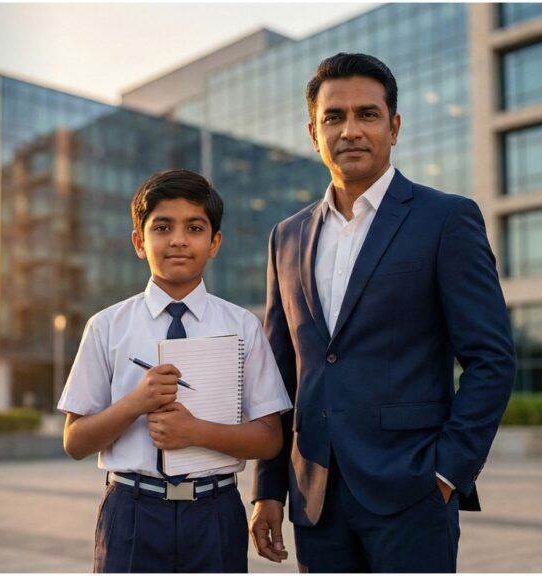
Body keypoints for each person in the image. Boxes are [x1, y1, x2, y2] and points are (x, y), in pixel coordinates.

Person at [249, 52, 516, 572]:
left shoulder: (446, 219)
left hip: (413, 494)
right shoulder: (286, 236)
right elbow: (280, 376)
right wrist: (268, 488)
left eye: (367, 114)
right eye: (334, 117)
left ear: (394, 127)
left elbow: (491, 359)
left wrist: (446, 473)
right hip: (315, 500)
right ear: (313, 132)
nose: (350, 130)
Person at [58, 169, 293, 572]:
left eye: (195, 227)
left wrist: (195, 433)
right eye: (162, 227)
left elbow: (271, 438)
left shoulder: (242, 326)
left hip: (214, 513)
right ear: (139, 241)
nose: (179, 239)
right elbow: (75, 441)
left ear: (214, 242)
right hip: (131, 512)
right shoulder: (107, 326)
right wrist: (136, 402)